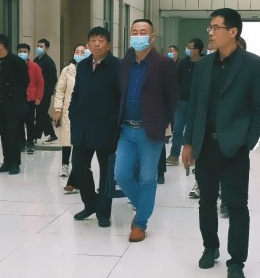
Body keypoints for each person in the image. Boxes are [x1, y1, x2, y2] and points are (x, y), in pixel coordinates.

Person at [181, 8, 260, 278]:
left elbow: (259, 109)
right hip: (205, 145)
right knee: (206, 201)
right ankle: (210, 247)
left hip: (234, 147)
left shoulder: (254, 65)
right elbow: (194, 107)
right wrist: (188, 142)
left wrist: (247, 142)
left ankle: (236, 262)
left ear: (233, 32)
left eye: (215, 28)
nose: (210, 33)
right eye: (209, 27)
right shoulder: (203, 65)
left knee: (237, 205)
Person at [115, 18, 178, 242]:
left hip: (150, 130)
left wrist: (165, 124)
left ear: (152, 37)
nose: (138, 36)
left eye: (143, 32)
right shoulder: (124, 63)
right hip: (126, 130)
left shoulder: (163, 63)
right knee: (121, 174)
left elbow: (172, 97)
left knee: (147, 178)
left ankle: (140, 223)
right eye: (134, 31)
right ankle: (143, 207)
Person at [70, 27, 121, 228]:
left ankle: (103, 212)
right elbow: (77, 92)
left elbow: (121, 97)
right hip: (83, 126)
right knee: (79, 166)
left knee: (107, 172)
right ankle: (90, 203)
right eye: (93, 40)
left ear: (108, 44)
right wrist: (72, 112)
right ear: (88, 44)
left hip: (106, 127)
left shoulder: (117, 66)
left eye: (101, 40)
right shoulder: (82, 65)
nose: (97, 44)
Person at [0, 33, 28, 174]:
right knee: (4, 134)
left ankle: (15, 163)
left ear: (1, 45)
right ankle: (7, 161)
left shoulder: (16, 61)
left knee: (12, 133)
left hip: (13, 105)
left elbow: (25, 81)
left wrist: (16, 96)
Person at [51, 44, 85, 188]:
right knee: (67, 139)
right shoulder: (67, 70)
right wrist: (57, 109)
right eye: (77, 51)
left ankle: (79, 169)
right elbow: (60, 91)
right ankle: (65, 165)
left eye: (82, 52)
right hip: (68, 110)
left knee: (80, 142)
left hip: (84, 111)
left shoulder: (90, 68)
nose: (79, 54)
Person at [170, 37, 203, 166]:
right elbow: (175, 79)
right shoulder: (183, 63)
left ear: (197, 50)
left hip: (195, 103)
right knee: (177, 129)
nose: (187, 49)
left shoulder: (203, 64)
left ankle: (192, 155)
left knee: (192, 131)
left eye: (190, 47)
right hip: (180, 102)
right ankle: (174, 154)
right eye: (187, 46)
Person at [18, 43, 45, 154]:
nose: (22, 53)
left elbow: (40, 83)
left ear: (29, 53)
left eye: (25, 51)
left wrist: (39, 97)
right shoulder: (15, 65)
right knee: (19, 122)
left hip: (30, 98)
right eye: (20, 51)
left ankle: (30, 142)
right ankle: (21, 142)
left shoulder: (35, 66)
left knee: (29, 122)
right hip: (18, 99)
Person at [34, 39, 59, 144]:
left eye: (41, 46)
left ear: (46, 48)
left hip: (45, 92)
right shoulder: (36, 60)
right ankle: (48, 135)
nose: (39, 48)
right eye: (38, 46)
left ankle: (36, 136)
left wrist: (49, 91)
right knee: (41, 114)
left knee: (41, 114)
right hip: (36, 92)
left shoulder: (49, 62)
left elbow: (53, 79)